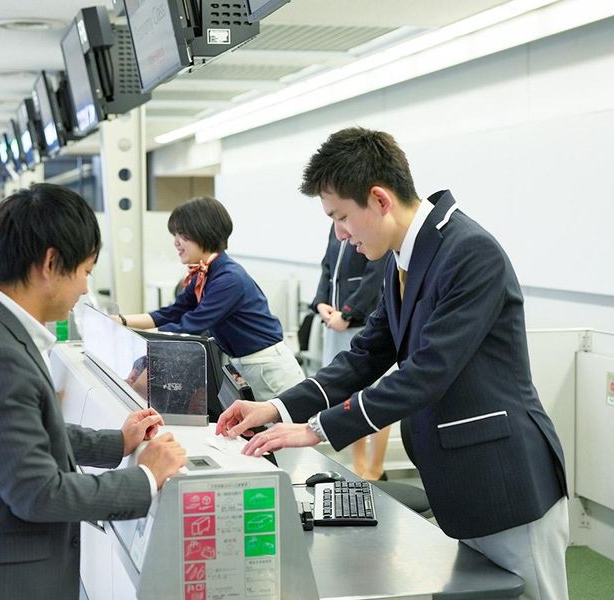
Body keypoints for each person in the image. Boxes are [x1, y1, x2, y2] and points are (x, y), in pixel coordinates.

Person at [216, 127, 569, 600]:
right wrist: (278, 409)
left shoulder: (467, 251)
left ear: (379, 199)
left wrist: (317, 428)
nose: (340, 236)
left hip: (506, 479)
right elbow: (366, 355)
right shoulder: (405, 259)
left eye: (341, 217)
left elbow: (427, 373)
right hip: (462, 480)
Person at [0, 183, 186, 600]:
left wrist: (116, 443)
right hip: (5, 585)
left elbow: (19, 435)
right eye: (85, 271)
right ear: (50, 262)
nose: (85, 288)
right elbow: (38, 494)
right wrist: (145, 478)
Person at [121, 196, 305, 400]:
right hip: (245, 365)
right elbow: (173, 312)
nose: (176, 242)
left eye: (182, 234)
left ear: (203, 231)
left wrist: (135, 339)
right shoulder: (204, 274)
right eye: (175, 234)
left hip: (269, 370)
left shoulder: (229, 279)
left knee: (275, 430)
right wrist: (123, 321)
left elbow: (189, 326)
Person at [312, 224, 390, 480]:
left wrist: (349, 313)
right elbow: (326, 267)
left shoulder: (366, 228)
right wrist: (321, 303)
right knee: (349, 394)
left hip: (362, 322)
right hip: (334, 322)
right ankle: (359, 466)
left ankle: (375, 468)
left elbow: (374, 275)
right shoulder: (335, 228)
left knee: (375, 396)